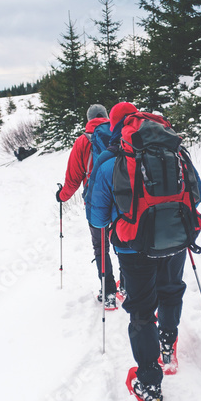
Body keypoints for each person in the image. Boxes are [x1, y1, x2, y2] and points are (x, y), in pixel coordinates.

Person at [88, 102, 201, 401]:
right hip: (175, 239)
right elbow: (198, 194)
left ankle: (149, 385)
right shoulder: (175, 150)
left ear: (114, 125)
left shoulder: (110, 159)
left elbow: (97, 218)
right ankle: (168, 345)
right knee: (170, 291)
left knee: (141, 311)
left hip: (133, 247)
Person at [55, 104, 119, 305]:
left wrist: (62, 196)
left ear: (88, 119)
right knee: (123, 239)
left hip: (96, 199)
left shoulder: (83, 141)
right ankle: (126, 285)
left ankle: (108, 292)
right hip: (122, 195)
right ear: (106, 116)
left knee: (100, 245)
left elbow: (73, 179)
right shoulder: (120, 134)